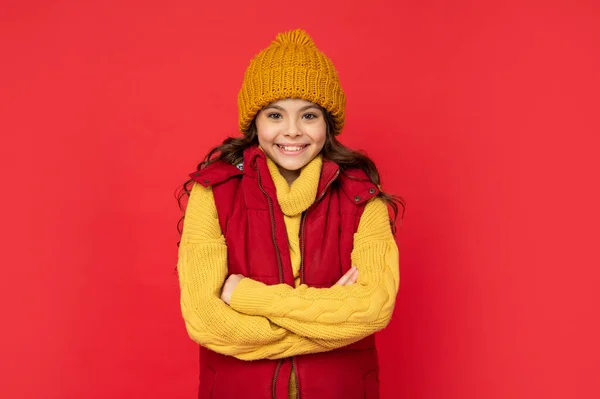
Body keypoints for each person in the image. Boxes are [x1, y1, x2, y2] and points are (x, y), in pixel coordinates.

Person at [176, 28, 404, 399]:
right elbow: (205, 321)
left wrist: (247, 297)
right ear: (255, 122)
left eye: (309, 115)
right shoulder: (213, 193)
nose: (293, 131)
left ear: (327, 123)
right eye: (276, 114)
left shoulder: (361, 197)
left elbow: (373, 309)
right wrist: (330, 321)